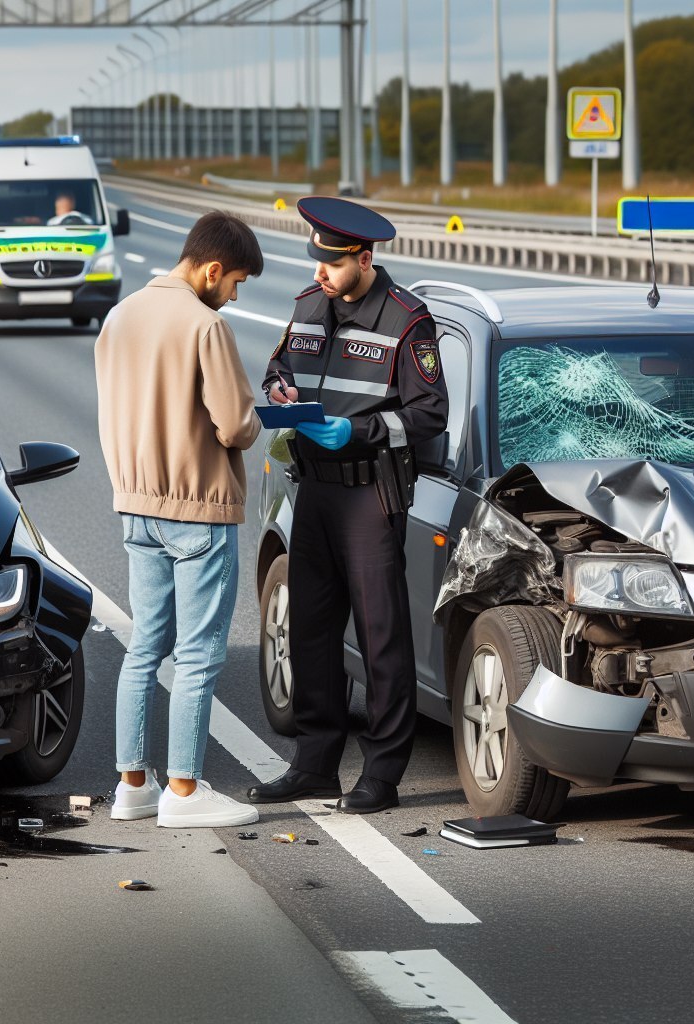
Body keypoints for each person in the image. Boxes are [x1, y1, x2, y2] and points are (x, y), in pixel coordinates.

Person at [247, 196, 448, 815]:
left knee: (382, 637)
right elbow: (279, 365)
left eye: (331, 264)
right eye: (316, 261)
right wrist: (278, 387)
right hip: (315, 490)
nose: (319, 274)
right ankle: (314, 765)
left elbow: (428, 414)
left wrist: (360, 433)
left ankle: (382, 776)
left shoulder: (408, 322)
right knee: (310, 631)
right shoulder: (308, 307)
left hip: (369, 493)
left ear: (364, 258)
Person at [95, 210, 265, 828]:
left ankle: (133, 787)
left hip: (136, 506)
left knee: (144, 649)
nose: (235, 294)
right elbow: (235, 426)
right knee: (197, 655)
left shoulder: (119, 317)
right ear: (212, 268)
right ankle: (186, 792)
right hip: (199, 508)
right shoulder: (205, 325)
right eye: (237, 282)